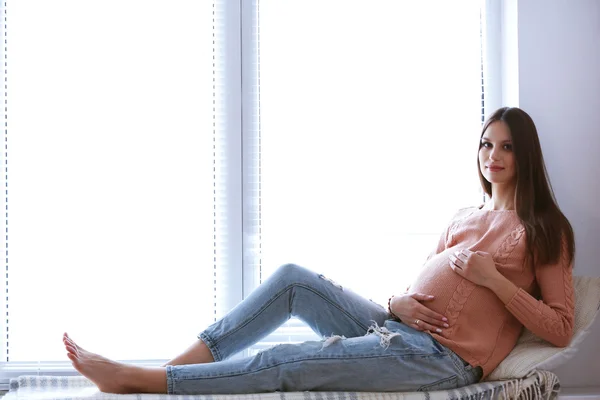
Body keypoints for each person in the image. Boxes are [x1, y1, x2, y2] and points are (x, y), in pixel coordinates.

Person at [62, 107, 575, 395]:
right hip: (397, 327)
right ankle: (178, 368)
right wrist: (397, 304)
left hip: (439, 358)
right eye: (486, 144)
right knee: (293, 277)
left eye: (506, 146)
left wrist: (495, 281)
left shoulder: (545, 229)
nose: (493, 155)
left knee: (293, 359)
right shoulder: (463, 217)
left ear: (525, 154)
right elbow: (416, 285)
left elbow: (558, 327)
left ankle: (144, 381)